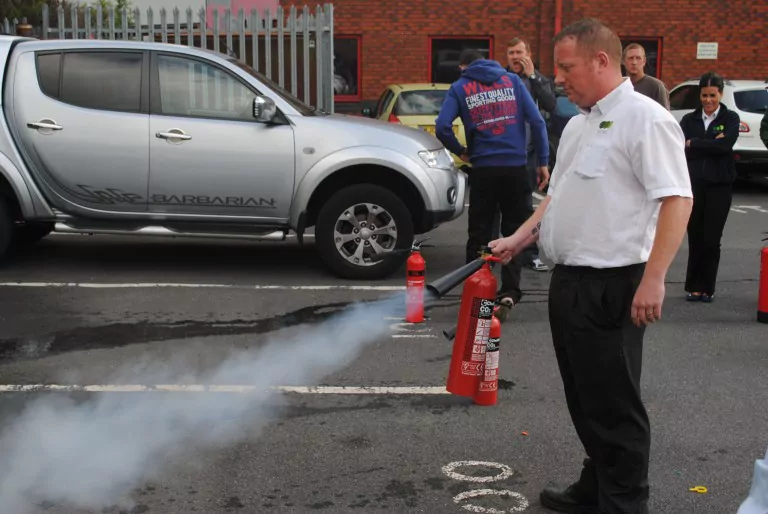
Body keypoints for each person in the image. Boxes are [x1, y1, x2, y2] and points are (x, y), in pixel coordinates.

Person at [488, 18, 693, 514]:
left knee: (615, 407)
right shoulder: (579, 124)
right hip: (570, 281)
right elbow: (556, 197)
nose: (558, 77)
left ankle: (624, 503)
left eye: (567, 66)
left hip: (615, 283)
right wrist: (518, 238)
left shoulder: (646, 118)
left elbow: (677, 199)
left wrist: (654, 279)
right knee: (584, 398)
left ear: (602, 61)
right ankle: (597, 484)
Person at [435, 49, 549, 308]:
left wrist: (461, 150)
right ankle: (509, 292)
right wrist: (542, 161)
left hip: (484, 168)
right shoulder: (512, 81)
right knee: (515, 230)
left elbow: (442, 126)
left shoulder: (461, 86)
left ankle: (477, 290)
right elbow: (538, 122)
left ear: (464, 67)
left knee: (480, 233)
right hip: (516, 168)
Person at [679, 72, 740, 302]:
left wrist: (695, 143)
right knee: (695, 236)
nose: (708, 100)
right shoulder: (688, 120)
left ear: (720, 94)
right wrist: (710, 144)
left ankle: (708, 288)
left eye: (712, 95)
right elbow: (681, 147)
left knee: (712, 238)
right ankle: (694, 287)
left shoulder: (730, 118)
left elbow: (725, 146)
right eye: (704, 95)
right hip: (694, 187)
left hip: (720, 186)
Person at [504, 37, 557, 272]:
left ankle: (530, 255)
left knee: (526, 207)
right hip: (505, 152)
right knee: (500, 206)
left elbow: (551, 104)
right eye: (511, 53)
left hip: (528, 154)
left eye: (519, 52)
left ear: (528, 53)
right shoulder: (500, 79)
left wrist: (534, 77)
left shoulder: (538, 79)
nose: (515, 57)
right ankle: (497, 251)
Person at [622, 43, 670, 109]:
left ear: (644, 61)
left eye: (638, 58)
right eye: (630, 58)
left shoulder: (656, 86)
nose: (634, 62)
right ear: (623, 61)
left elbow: (665, 116)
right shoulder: (618, 86)